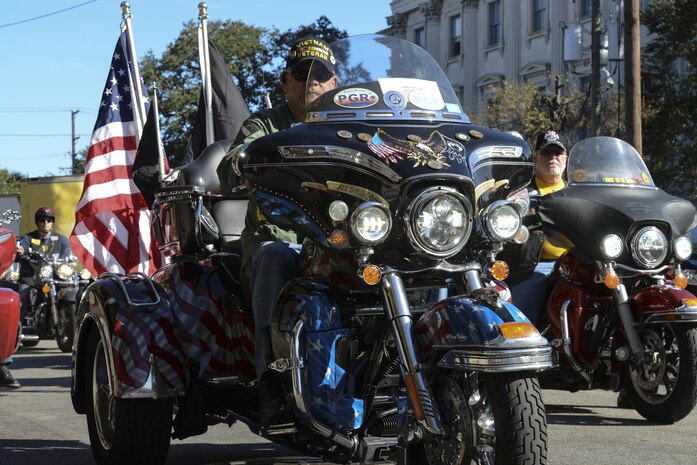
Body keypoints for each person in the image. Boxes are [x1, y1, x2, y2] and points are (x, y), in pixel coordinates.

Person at [217, 37, 338, 426]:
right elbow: (234, 164)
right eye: (302, 74)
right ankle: (273, 376)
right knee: (276, 256)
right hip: (281, 238)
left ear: (335, 83)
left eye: (321, 74)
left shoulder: (350, 128)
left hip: (340, 240)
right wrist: (244, 160)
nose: (311, 83)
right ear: (286, 81)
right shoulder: (265, 124)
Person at [510, 130, 569, 326]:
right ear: (535, 158)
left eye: (557, 153)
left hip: (577, 265)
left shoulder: (577, 192)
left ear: (566, 158)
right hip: (538, 266)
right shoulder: (520, 193)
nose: (553, 157)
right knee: (518, 322)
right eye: (546, 153)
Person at [15, 207, 72, 325]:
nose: (45, 223)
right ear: (37, 223)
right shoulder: (28, 238)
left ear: (52, 222)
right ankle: (18, 329)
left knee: (73, 290)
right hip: (31, 278)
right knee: (23, 296)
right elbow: (22, 246)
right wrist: (21, 250)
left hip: (54, 278)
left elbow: (68, 255)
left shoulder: (61, 239)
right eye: (42, 220)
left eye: (48, 220)